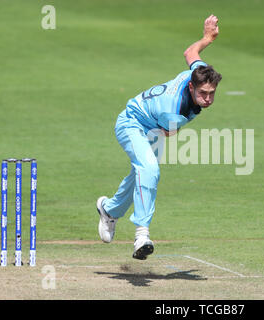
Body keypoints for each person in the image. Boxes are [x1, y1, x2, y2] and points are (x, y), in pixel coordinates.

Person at [96, 15, 222, 260]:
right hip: (132, 123)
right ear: (191, 88)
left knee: (140, 174)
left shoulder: (198, 72)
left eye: (212, 94)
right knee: (150, 170)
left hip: (152, 127)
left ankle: (108, 210)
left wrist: (208, 38)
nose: (208, 99)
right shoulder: (173, 111)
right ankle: (141, 235)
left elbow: (190, 52)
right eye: (203, 94)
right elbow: (169, 131)